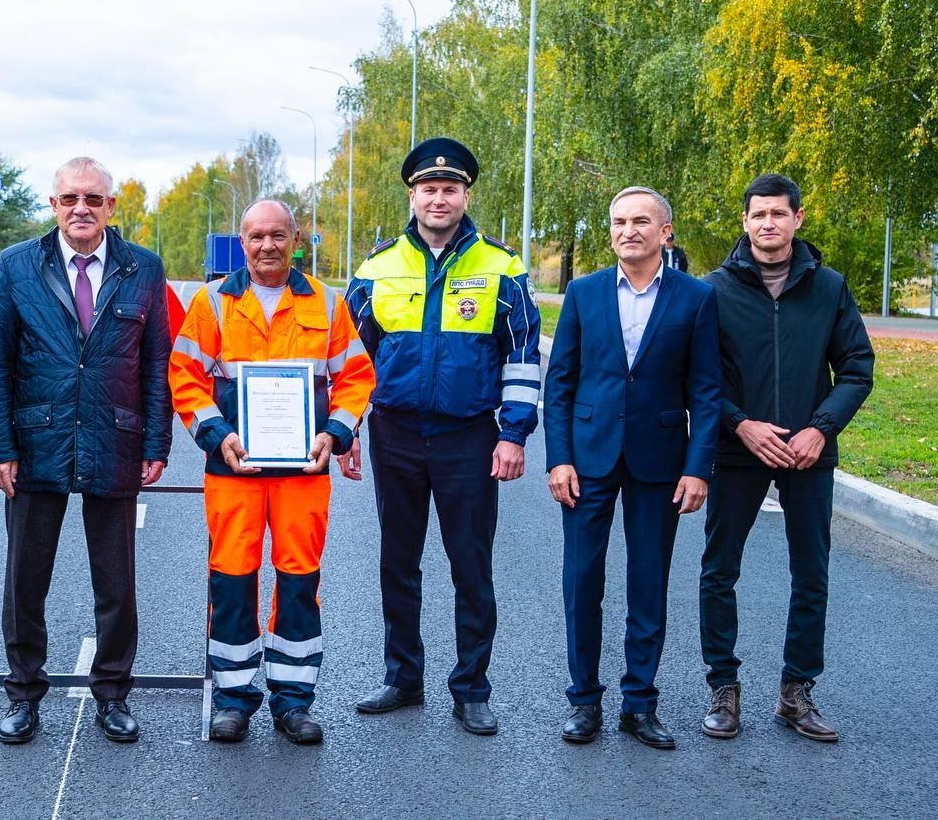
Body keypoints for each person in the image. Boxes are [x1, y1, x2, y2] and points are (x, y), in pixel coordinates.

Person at [342, 137, 540, 737]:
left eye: (449, 188)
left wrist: (514, 434)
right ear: (413, 195)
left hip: (470, 439)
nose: (438, 198)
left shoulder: (501, 267)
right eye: (428, 188)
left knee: (470, 565)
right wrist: (347, 427)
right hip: (395, 433)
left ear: (465, 195)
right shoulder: (376, 269)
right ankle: (402, 677)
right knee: (397, 562)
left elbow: (524, 354)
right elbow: (351, 361)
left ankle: (471, 688)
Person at [0, 156, 172, 745]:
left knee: (115, 581)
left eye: (93, 199)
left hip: (114, 437)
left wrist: (156, 440)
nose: (81, 209)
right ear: (54, 204)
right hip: (35, 441)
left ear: (112, 207)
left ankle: (113, 694)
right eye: (70, 199)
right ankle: (22, 694)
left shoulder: (143, 267)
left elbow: (156, 361)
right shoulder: (16, 265)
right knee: (25, 579)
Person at [169, 199, 375, 745]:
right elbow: (185, 376)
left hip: (302, 471)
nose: (267, 246)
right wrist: (217, 434)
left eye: (278, 235)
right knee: (232, 581)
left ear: (295, 239)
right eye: (257, 236)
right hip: (233, 466)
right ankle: (232, 700)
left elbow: (356, 376)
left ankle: (293, 701)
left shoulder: (327, 304)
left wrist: (336, 432)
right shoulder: (214, 302)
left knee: (299, 582)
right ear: (242, 242)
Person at [543, 185, 721, 750]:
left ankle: (639, 704)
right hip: (588, 459)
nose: (628, 231)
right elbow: (561, 384)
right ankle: (584, 702)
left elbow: (707, 390)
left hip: (660, 461)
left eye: (641, 221)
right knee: (582, 582)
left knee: (649, 583)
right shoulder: (584, 292)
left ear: (665, 232)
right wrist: (560, 458)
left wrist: (698, 468)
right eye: (619, 221)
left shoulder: (696, 298)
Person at [698, 173, 873, 742]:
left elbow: (856, 368)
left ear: (798, 219)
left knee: (811, 574)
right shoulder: (714, 291)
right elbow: (696, 378)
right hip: (738, 449)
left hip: (807, 454)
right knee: (719, 571)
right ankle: (723, 688)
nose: (767, 223)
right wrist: (740, 424)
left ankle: (797, 693)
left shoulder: (830, 288)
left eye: (778, 213)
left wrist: (820, 430)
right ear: (745, 221)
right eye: (757, 214)